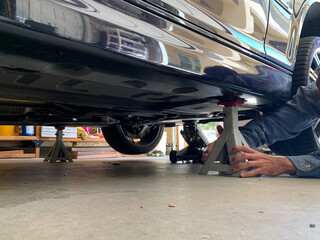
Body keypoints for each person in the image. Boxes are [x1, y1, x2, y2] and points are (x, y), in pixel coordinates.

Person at [201, 70, 320, 178]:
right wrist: (238, 141)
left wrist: (285, 164)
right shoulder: (314, 94)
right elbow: (277, 124)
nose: (319, 102)